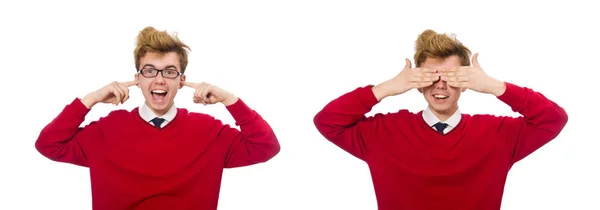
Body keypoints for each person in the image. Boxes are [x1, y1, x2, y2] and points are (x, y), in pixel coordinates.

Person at [313, 29, 568, 210]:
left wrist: (494, 86)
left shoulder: (498, 134)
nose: (440, 85)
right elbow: (327, 122)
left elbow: (552, 120)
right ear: (417, 83)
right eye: (431, 76)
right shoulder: (383, 132)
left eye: (451, 76)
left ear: (466, 83)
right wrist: (387, 88)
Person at [35, 26, 281, 210]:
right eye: (150, 71)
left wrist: (230, 100)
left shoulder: (209, 131)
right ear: (138, 78)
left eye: (170, 72)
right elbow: (49, 144)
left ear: (181, 81)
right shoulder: (106, 129)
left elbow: (266, 147)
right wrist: (91, 99)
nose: (159, 79)